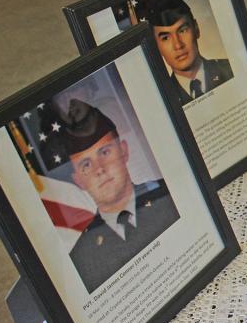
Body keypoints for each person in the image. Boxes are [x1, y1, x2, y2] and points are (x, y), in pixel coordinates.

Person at [64, 99, 179, 293]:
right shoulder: (81, 257)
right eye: (86, 164)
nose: (99, 169)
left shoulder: (174, 196)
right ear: (79, 181)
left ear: (124, 151)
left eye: (105, 152)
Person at [140, 0, 234, 104]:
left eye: (183, 30)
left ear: (196, 29)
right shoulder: (162, 101)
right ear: (156, 46)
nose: (178, 45)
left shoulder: (231, 69)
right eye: (165, 38)